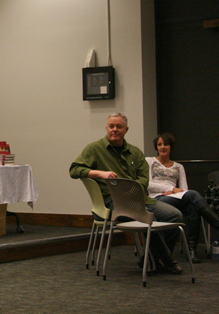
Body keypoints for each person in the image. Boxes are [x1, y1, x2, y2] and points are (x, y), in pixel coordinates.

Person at [69, 112, 184, 274]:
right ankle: (166, 259)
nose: (114, 129)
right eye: (111, 126)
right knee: (150, 217)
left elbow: (144, 180)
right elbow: (74, 170)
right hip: (112, 202)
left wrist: (133, 191)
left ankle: (151, 258)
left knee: (175, 215)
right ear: (107, 128)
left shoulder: (135, 153)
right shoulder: (94, 149)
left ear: (126, 130)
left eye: (119, 127)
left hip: (139, 199)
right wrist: (99, 173)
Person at [146, 132, 219, 263]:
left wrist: (175, 193)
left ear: (170, 147)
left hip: (176, 198)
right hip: (157, 198)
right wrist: (170, 189)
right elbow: (148, 184)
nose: (163, 147)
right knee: (193, 195)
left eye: (166, 144)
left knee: (193, 207)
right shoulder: (150, 161)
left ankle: (191, 250)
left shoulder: (179, 167)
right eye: (159, 144)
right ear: (156, 147)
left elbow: (184, 189)